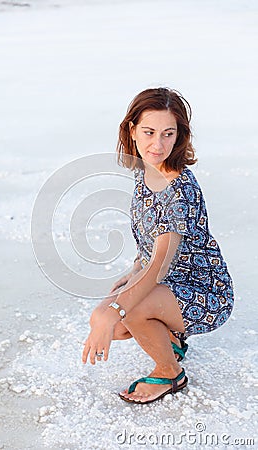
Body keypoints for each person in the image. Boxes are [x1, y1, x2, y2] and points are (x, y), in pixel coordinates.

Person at [82, 87, 234, 404]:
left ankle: (170, 372)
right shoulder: (146, 171)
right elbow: (149, 245)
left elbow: (161, 264)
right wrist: (133, 271)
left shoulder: (180, 188)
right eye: (149, 132)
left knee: (125, 313)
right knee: (112, 321)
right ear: (132, 130)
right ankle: (171, 338)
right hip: (167, 281)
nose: (158, 144)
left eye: (168, 134)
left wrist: (116, 307)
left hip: (204, 291)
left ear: (179, 136)